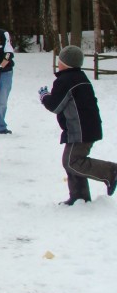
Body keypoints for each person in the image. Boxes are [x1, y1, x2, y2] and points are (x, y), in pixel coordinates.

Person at [39, 45, 117, 206]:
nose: (58, 63)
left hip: (80, 129)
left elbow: (55, 105)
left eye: (60, 60)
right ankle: (79, 197)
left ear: (64, 63)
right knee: (73, 160)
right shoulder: (79, 77)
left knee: (71, 162)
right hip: (85, 127)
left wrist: (45, 96)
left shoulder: (65, 80)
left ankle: (111, 171)